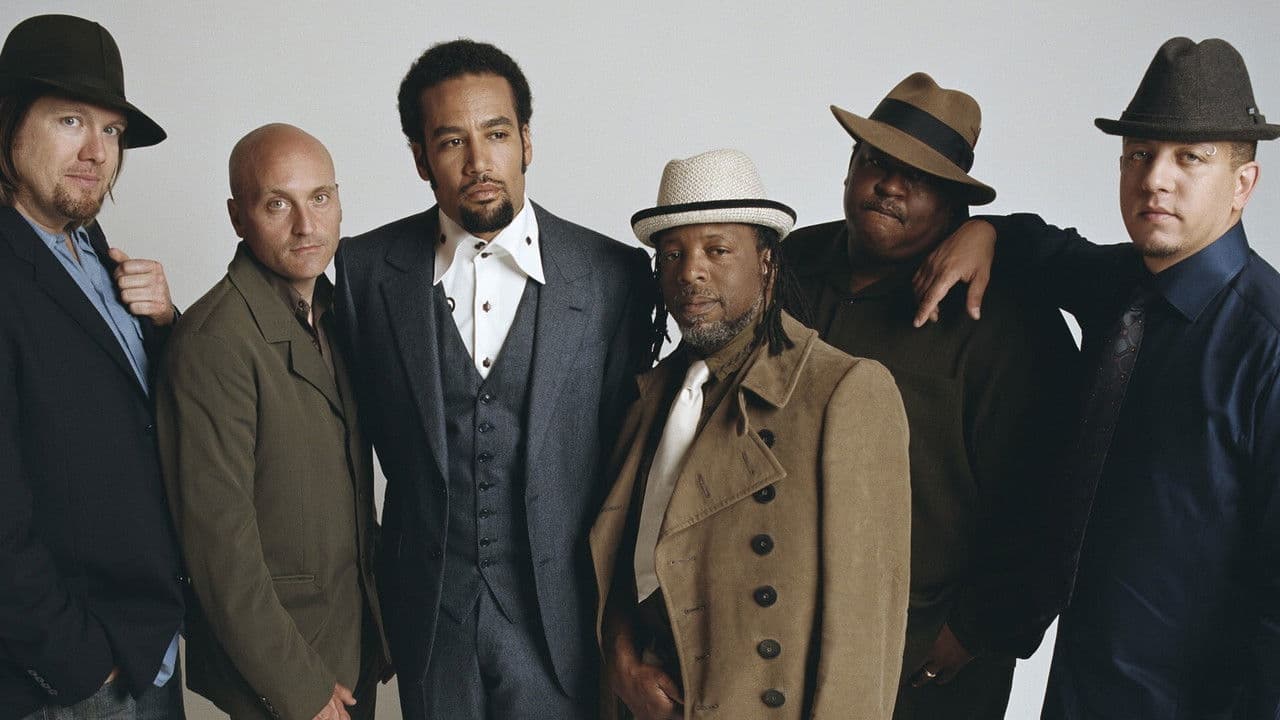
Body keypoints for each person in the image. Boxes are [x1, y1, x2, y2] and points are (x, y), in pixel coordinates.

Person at [912, 37, 1280, 718]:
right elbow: (1044, 248)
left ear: (1242, 185)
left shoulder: (1268, 349)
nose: (1155, 179)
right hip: (1078, 688)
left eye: (1190, 158)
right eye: (1138, 154)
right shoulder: (1121, 286)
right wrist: (987, 230)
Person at [333, 39, 652, 719]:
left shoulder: (613, 276)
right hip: (428, 621)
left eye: (497, 134)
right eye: (452, 141)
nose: (479, 162)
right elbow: (334, 438)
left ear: (527, 141)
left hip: (563, 625)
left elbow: (630, 469)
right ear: (420, 158)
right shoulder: (364, 271)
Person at [784, 74, 1078, 719]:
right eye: (876, 163)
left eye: (920, 178)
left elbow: (1054, 496)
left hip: (923, 657)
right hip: (778, 631)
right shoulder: (790, 265)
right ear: (849, 168)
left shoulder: (1008, 319)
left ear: (956, 205)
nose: (891, 186)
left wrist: (974, 631)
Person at [592, 148, 912, 720]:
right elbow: (622, 561)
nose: (690, 271)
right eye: (672, 254)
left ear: (766, 262)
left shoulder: (844, 391)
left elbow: (864, 638)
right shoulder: (649, 396)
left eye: (717, 249)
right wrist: (622, 663)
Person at [154, 124, 389, 720]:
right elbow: (218, 550)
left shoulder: (338, 314)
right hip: (288, 672)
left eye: (319, 198)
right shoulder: (214, 342)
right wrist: (299, 689)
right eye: (277, 204)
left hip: (350, 643)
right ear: (238, 217)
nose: (306, 225)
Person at [0, 14, 186, 720]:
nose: (96, 152)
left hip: (148, 643)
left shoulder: (94, 248)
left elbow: (130, 417)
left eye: (111, 130)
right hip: (67, 674)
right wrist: (77, 664)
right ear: (8, 121)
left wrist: (164, 326)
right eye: (71, 120)